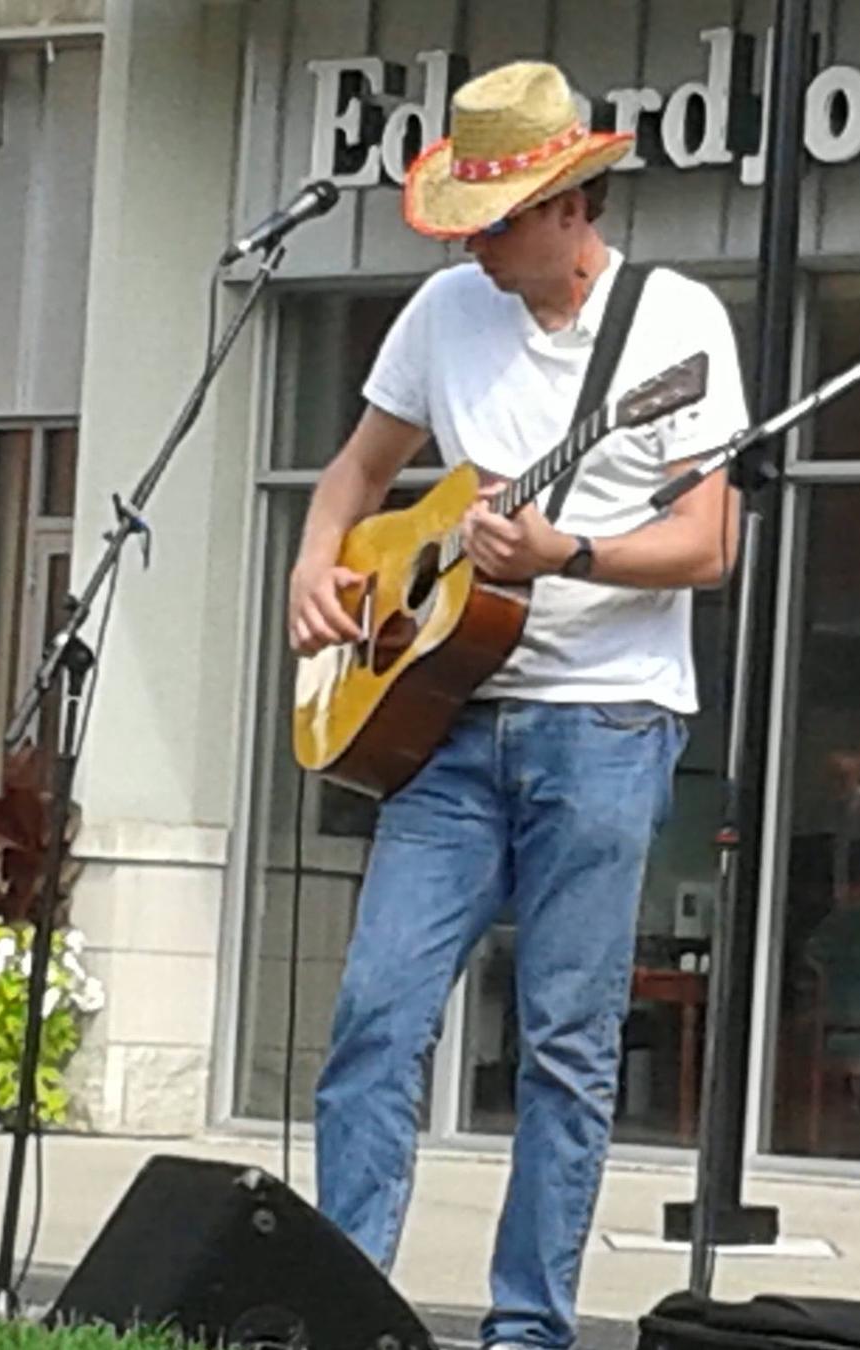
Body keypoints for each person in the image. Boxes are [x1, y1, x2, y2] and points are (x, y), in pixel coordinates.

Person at [287, 61, 748, 1350]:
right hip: (444, 724)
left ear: (569, 206)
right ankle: (350, 1315)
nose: (476, 245)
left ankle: (527, 1330)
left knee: (562, 1041)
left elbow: (711, 543)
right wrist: (316, 568)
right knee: (377, 1015)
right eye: (466, 223)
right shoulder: (443, 311)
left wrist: (572, 558)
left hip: (606, 719)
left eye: (495, 220)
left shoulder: (675, 327)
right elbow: (356, 474)